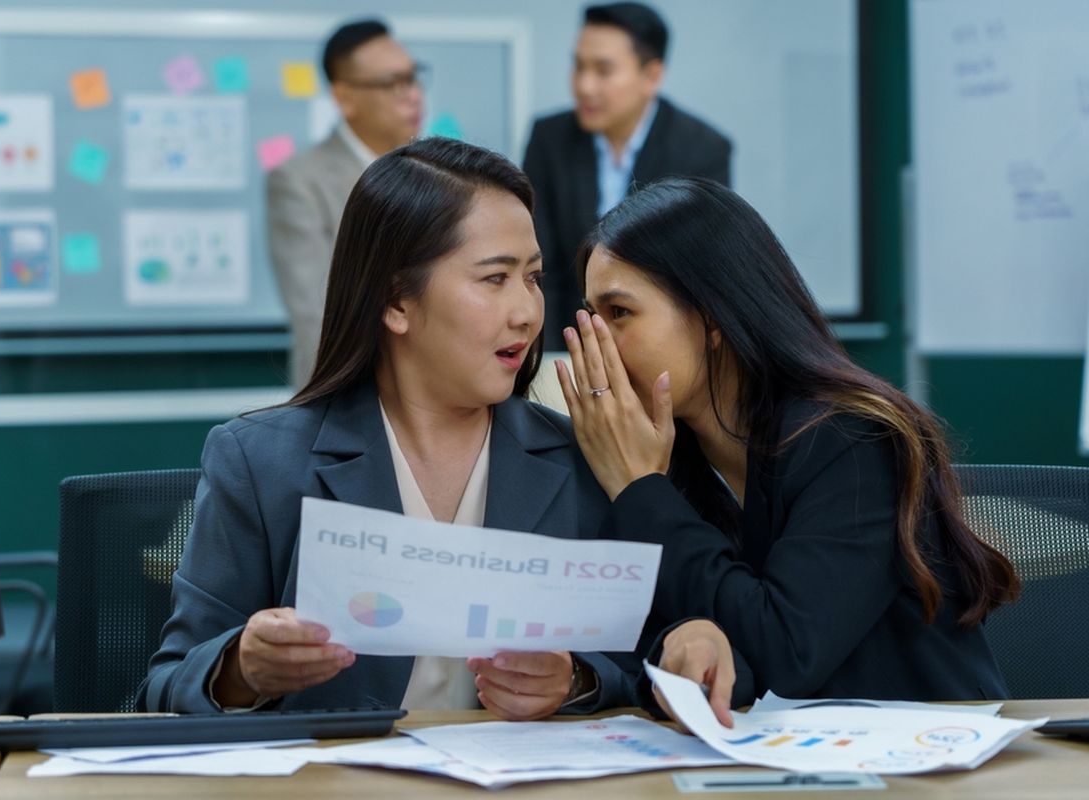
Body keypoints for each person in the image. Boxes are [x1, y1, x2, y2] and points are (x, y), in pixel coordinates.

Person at [141, 138, 630, 720]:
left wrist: (575, 680)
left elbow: (649, 665)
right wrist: (242, 671)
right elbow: (164, 687)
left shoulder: (580, 457)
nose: (527, 311)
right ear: (397, 301)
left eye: (533, 278)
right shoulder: (260, 462)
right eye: (495, 279)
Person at [555, 177, 1020, 710]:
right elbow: (662, 646)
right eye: (589, 317)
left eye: (619, 314)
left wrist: (641, 490)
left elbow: (785, 652)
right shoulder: (668, 455)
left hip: (924, 748)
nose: (596, 345)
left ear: (711, 315)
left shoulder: (853, 438)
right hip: (768, 749)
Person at [523, 2, 731, 351]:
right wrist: (552, 358)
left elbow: (701, 272)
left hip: (663, 346)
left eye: (603, 70)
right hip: (567, 342)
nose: (584, 86)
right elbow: (543, 264)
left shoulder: (701, 150)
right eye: (578, 66)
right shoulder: (549, 139)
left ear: (652, 76)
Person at [267, 19, 424, 389]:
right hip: (347, 391)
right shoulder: (299, 180)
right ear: (344, 98)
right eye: (392, 83)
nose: (413, 95)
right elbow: (317, 315)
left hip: (435, 393)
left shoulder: (436, 174)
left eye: (413, 78)